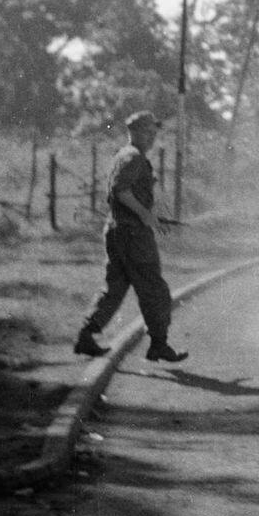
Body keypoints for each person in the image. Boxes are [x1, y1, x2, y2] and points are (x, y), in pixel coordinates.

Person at [73, 111, 188, 363]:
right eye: (148, 131)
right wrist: (146, 216)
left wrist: (154, 215)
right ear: (134, 132)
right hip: (133, 234)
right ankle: (159, 344)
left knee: (114, 288)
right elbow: (120, 191)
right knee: (155, 290)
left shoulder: (127, 156)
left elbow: (132, 191)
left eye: (154, 131)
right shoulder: (133, 157)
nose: (152, 136)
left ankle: (86, 335)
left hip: (119, 231)